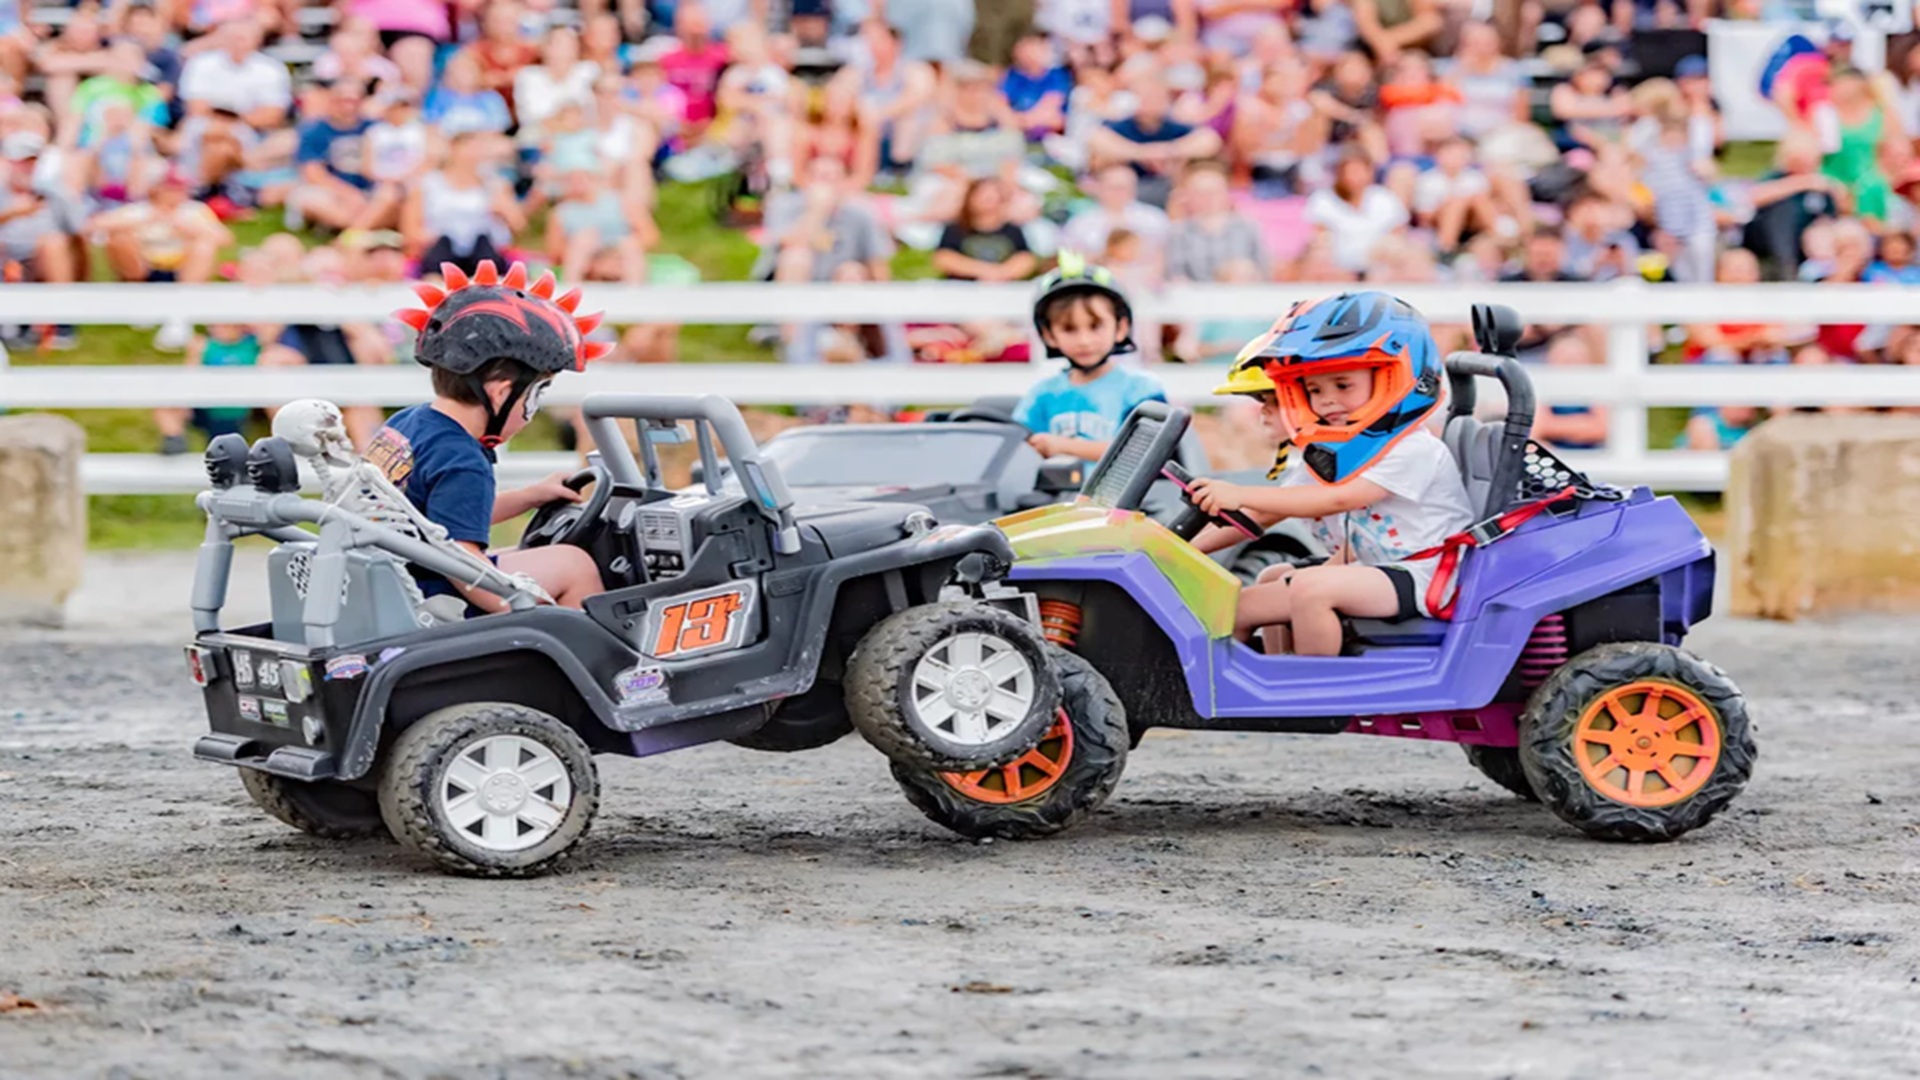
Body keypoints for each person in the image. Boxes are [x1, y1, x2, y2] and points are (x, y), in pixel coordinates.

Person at [1186, 292, 1473, 655]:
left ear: (1393, 378)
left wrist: (1239, 492)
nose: (1326, 401)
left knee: (1313, 589)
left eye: (1342, 385)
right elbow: (1264, 514)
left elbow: (1341, 498)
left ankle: (1312, 699)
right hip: (1375, 569)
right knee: (1264, 585)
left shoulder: (1412, 447)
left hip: (1425, 574)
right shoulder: (1341, 449)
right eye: (1314, 389)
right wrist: (1175, 548)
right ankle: (1268, 682)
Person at [375, 259, 610, 611]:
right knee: (573, 565)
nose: (534, 408)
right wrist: (518, 604)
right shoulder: (462, 458)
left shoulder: (410, 424)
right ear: (501, 393)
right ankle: (588, 658)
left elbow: (448, 521)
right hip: (426, 598)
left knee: (531, 559)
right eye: (536, 394)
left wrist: (530, 496)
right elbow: (462, 562)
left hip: (395, 581)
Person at [1012, 257, 1168, 463]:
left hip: (1123, 495)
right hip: (1055, 496)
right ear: (1049, 335)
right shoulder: (1042, 394)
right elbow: (1015, 449)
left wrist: (1065, 446)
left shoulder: (1140, 390)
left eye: (1095, 326)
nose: (1084, 341)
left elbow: (1145, 454)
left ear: (1121, 328)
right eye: (1069, 329)